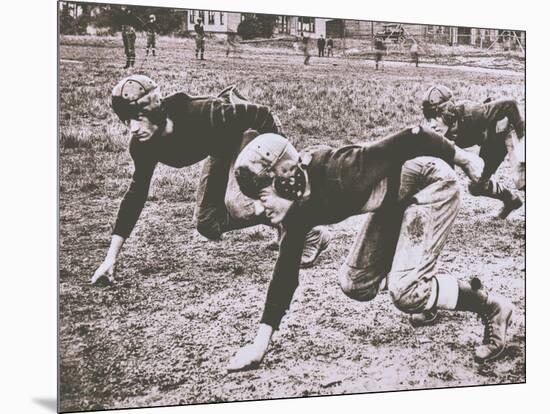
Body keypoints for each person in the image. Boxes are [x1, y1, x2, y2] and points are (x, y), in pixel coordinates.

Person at [226, 127, 514, 372]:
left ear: (285, 178)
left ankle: (490, 306)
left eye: (262, 195)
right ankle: (426, 294)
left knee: (405, 291)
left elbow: (413, 136)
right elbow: (285, 275)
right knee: (355, 284)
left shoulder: (340, 170)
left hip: (431, 184)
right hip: (395, 199)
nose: (259, 208)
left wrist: (462, 158)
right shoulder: (297, 209)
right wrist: (258, 345)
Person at [90, 75, 330, 285]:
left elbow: (261, 115)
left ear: (154, 110)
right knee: (207, 222)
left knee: (239, 204)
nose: (133, 128)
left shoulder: (204, 113)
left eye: (139, 118)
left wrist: (278, 167)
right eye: (127, 121)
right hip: (222, 148)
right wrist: (110, 258)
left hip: (251, 133)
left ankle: (307, 229)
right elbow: (136, 195)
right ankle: (284, 225)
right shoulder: (143, 145)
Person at [421, 85, 525, 220]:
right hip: (492, 141)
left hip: (509, 125)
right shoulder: (441, 137)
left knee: (522, 177)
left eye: (436, 117)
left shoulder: (472, 113)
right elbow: (447, 174)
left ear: (448, 113)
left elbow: (510, 105)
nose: (432, 124)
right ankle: (511, 200)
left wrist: (523, 141)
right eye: (429, 119)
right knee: (477, 186)